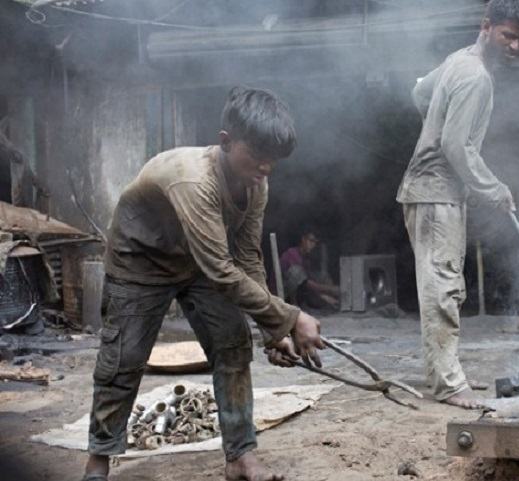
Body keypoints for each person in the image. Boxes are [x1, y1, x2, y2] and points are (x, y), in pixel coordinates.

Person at [82, 87, 324, 481]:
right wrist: (291, 317)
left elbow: (246, 258)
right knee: (122, 360)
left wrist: (271, 330)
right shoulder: (194, 180)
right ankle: (99, 459)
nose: (265, 168)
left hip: (197, 262)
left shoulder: (255, 184)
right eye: (258, 155)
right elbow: (223, 271)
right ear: (226, 142)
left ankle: (240, 457)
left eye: (273, 161)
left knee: (233, 344)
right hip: (140, 260)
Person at [396, 0, 519, 409]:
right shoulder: (476, 77)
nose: (514, 46)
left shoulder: (458, 60)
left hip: (431, 190)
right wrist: (493, 188)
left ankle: (447, 375)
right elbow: (456, 146)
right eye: (508, 35)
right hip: (436, 191)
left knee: (443, 282)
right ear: (486, 26)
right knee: (442, 286)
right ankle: (447, 384)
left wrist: (437, 122)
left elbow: (419, 92)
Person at [279, 228, 340, 310]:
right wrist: (330, 289)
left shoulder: (306, 259)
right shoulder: (292, 254)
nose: (313, 245)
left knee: (320, 276)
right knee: (296, 272)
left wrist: (326, 297)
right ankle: (293, 306)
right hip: (281, 294)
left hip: (297, 293)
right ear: (303, 239)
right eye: (311, 241)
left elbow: (308, 283)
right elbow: (307, 284)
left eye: (315, 242)